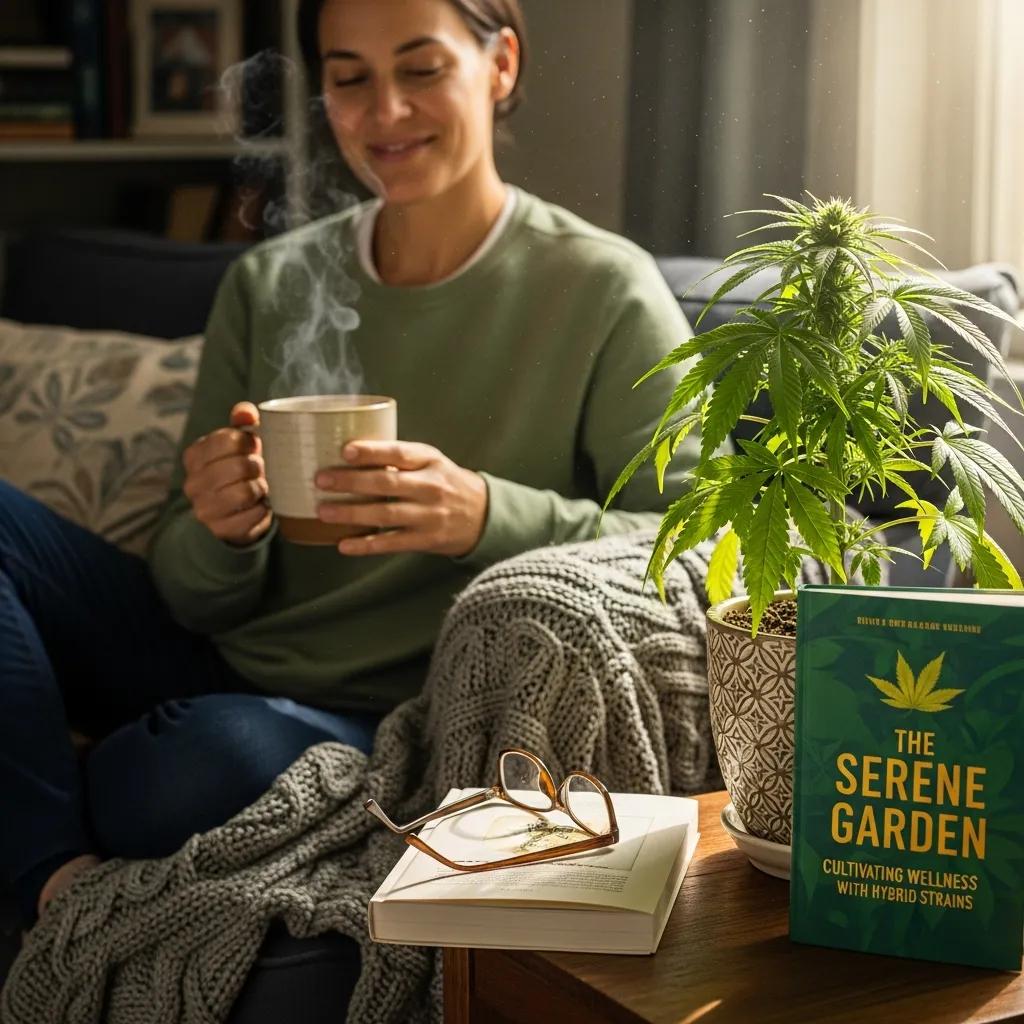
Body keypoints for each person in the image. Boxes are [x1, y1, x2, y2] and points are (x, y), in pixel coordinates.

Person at [0, 0, 697, 942]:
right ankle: (50, 878)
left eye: (420, 69)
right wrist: (221, 529)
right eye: (349, 77)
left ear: (499, 65)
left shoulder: (604, 290)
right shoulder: (271, 282)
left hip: (397, 718)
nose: (385, 114)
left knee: (184, 767)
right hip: (221, 656)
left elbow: (700, 543)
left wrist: (486, 513)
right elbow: (190, 595)